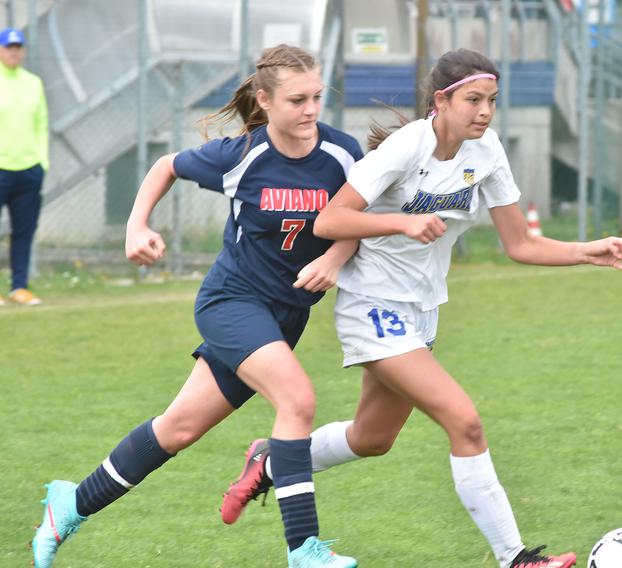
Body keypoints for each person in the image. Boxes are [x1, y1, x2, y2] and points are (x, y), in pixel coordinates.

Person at [219, 48, 622, 568]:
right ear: (441, 101)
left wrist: (584, 251)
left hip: (421, 311)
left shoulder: (486, 153)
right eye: (473, 100)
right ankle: (518, 559)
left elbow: (521, 244)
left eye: (491, 101)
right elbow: (329, 221)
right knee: (464, 422)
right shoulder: (405, 147)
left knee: (372, 439)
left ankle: (273, 459)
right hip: (371, 305)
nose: (485, 111)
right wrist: (400, 222)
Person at [30, 44, 361, 568]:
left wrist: (339, 257)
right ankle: (305, 550)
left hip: (284, 317)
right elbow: (167, 165)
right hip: (232, 302)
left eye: (317, 97)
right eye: (297, 99)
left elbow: (355, 218)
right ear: (264, 99)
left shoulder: (343, 155)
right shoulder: (242, 155)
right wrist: (137, 225)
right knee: (297, 400)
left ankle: (69, 504)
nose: (310, 110)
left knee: (178, 429)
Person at [0, 27, 48, 306]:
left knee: (24, 231)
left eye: (18, 47)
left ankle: (19, 287)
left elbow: (41, 124)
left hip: (29, 169)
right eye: (9, 47)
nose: (14, 51)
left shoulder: (33, 83)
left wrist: (42, 161)